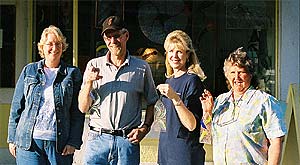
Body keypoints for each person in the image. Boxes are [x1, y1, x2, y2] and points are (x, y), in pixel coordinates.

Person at [78, 15, 159, 165]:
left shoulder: (141, 67)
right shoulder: (93, 65)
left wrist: (145, 129)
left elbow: (152, 102)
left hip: (127, 140)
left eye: (116, 36)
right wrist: (88, 82)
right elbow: (83, 108)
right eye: (108, 37)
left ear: (126, 35)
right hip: (98, 139)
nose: (112, 41)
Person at [7, 25, 85, 164]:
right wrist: (12, 138)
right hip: (29, 143)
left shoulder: (72, 73)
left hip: (59, 145)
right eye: (49, 44)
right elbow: (16, 107)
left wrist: (73, 141)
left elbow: (77, 112)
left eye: (58, 44)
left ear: (63, 47)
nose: (54, 48)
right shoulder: (29, 70)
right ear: (42, 47)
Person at [200, 47, 287, 164]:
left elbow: (276, 141)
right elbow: (205, 137)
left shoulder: (264, 101)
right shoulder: (220, 101)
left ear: (250, 74)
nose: (236, 77)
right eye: (232, 72)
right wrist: (207, 112)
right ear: (227, 75)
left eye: (241, 72)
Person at [156, 30, 207, 165]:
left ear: (188, 54)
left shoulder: (192, 81)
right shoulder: (169, 81)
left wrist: (176, 99)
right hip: (166, 151)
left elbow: (191, 125)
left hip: (184, 154)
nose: (174, 55)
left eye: (179, 51)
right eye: (171, 51)